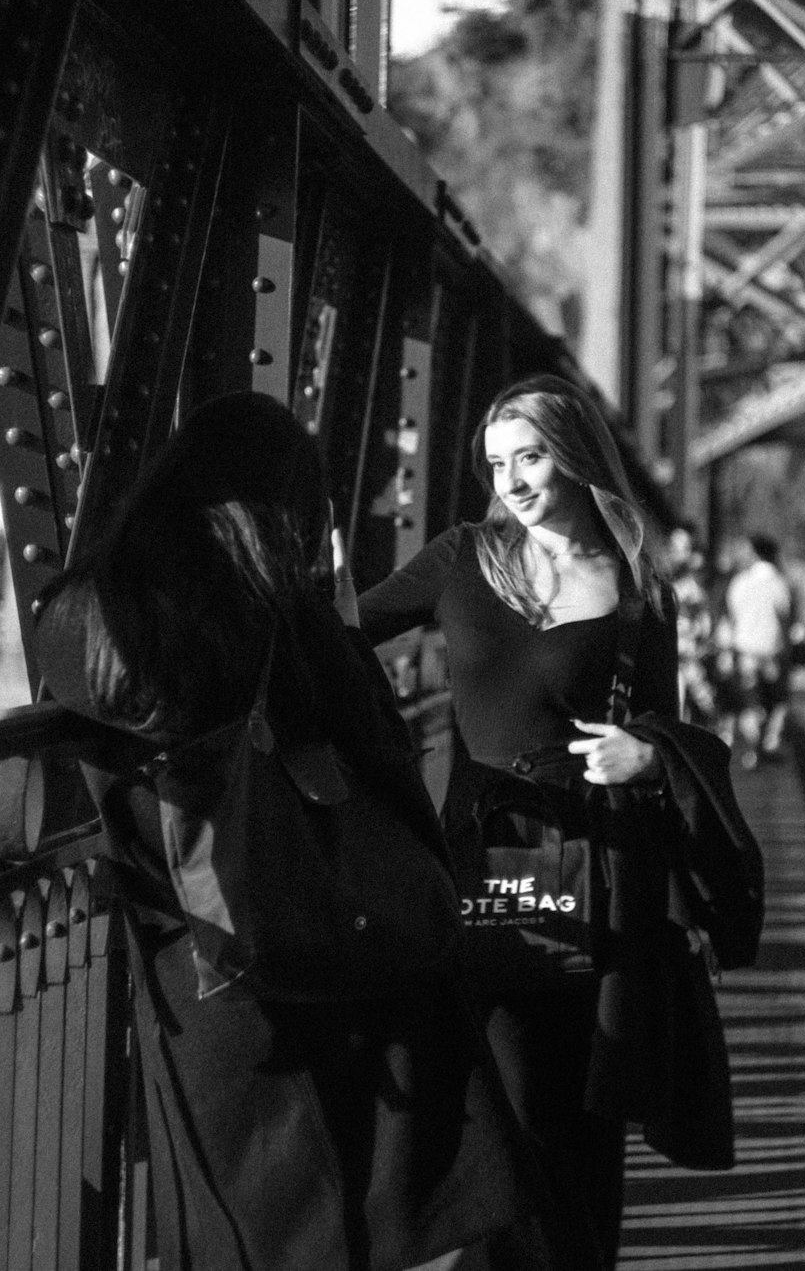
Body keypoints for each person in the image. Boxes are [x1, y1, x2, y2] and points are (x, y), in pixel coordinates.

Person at [31, 391, 563, 1271]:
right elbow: (386, 761)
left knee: (249, 1235)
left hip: (212, 971)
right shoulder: (291, 618)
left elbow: (122, 694)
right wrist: (336, 617)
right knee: (382, 1216)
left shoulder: (97, 613)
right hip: (348, 947)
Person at [350, 374, 735, 1271]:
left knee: (584, 1115)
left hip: (598, 875)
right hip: (483, 865)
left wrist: (646, 756)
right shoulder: (461, 556)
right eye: (498, 464)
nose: (514, 481)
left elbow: (666, 731)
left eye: (530, 457)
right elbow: (341, 636)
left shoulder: (639, 588)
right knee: (510, 1100)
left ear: (574, 454)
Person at [715, 532, 794, 766]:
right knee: (776, 700)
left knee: (749, 702)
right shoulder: (781, 584)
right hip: (773, 653)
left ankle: (753, 747)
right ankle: (769, 742)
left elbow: (730, 617)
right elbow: (787, 617)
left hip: (745, 652)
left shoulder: (740, 582)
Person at [663, 521, 716, 726]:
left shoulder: (692, 588)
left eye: (684, 548)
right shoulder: (660, 580)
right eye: (673, 547)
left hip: (687, 657)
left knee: (693, 711)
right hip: (668, 657)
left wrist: (699, 643)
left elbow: (703, 624)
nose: (677, 553)